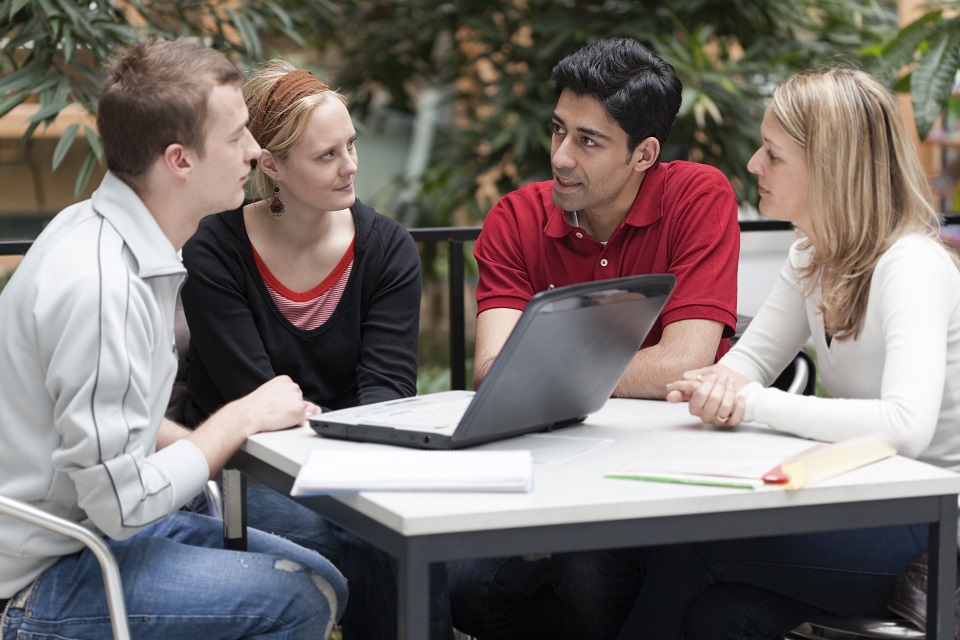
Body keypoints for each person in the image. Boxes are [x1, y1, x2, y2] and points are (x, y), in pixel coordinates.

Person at [0, 38, 346, 640]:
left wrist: (207, 444)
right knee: (299, 598)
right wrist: (236, 421)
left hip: (87, 529)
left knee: (327, 578)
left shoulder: (111, 237)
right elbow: (122, 503)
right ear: (179, 160)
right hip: (41, 573)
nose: (256, 150)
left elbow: (108, 421)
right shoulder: (100, 286)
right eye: (237, 135)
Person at [615, 67, 960, 640]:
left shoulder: (910, 266)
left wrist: (752, 403)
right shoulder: (813, 256)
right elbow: (739, 371)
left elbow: (906, 427)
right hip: (868, 498)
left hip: (932, 529)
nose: (753, 165)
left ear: (830, 167)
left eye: (773, 154)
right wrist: (714, 389)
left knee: (690, 546)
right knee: (719, 617)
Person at [449, 37, 740, 640]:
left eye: (588, 141)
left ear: (644, 153)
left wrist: (548, 376)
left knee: (589, 570)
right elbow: (492, 371)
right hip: (549, 473)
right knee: (462, 587)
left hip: (670, 476)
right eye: (558, 130)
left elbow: (686, 362)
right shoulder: (517, 216)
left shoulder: (697, 196)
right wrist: (633, 372)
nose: (560, 156)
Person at [179, 60, 446, 640]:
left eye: (350, 145)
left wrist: (353, 458)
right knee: (351, 540)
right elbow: (254, 401)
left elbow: (388, 396)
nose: (351, 165)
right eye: (327, 155)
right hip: (240, 469)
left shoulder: (387, 248)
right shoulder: (216, 251)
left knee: (407, 535)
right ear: (270, 164)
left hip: (355, 462)